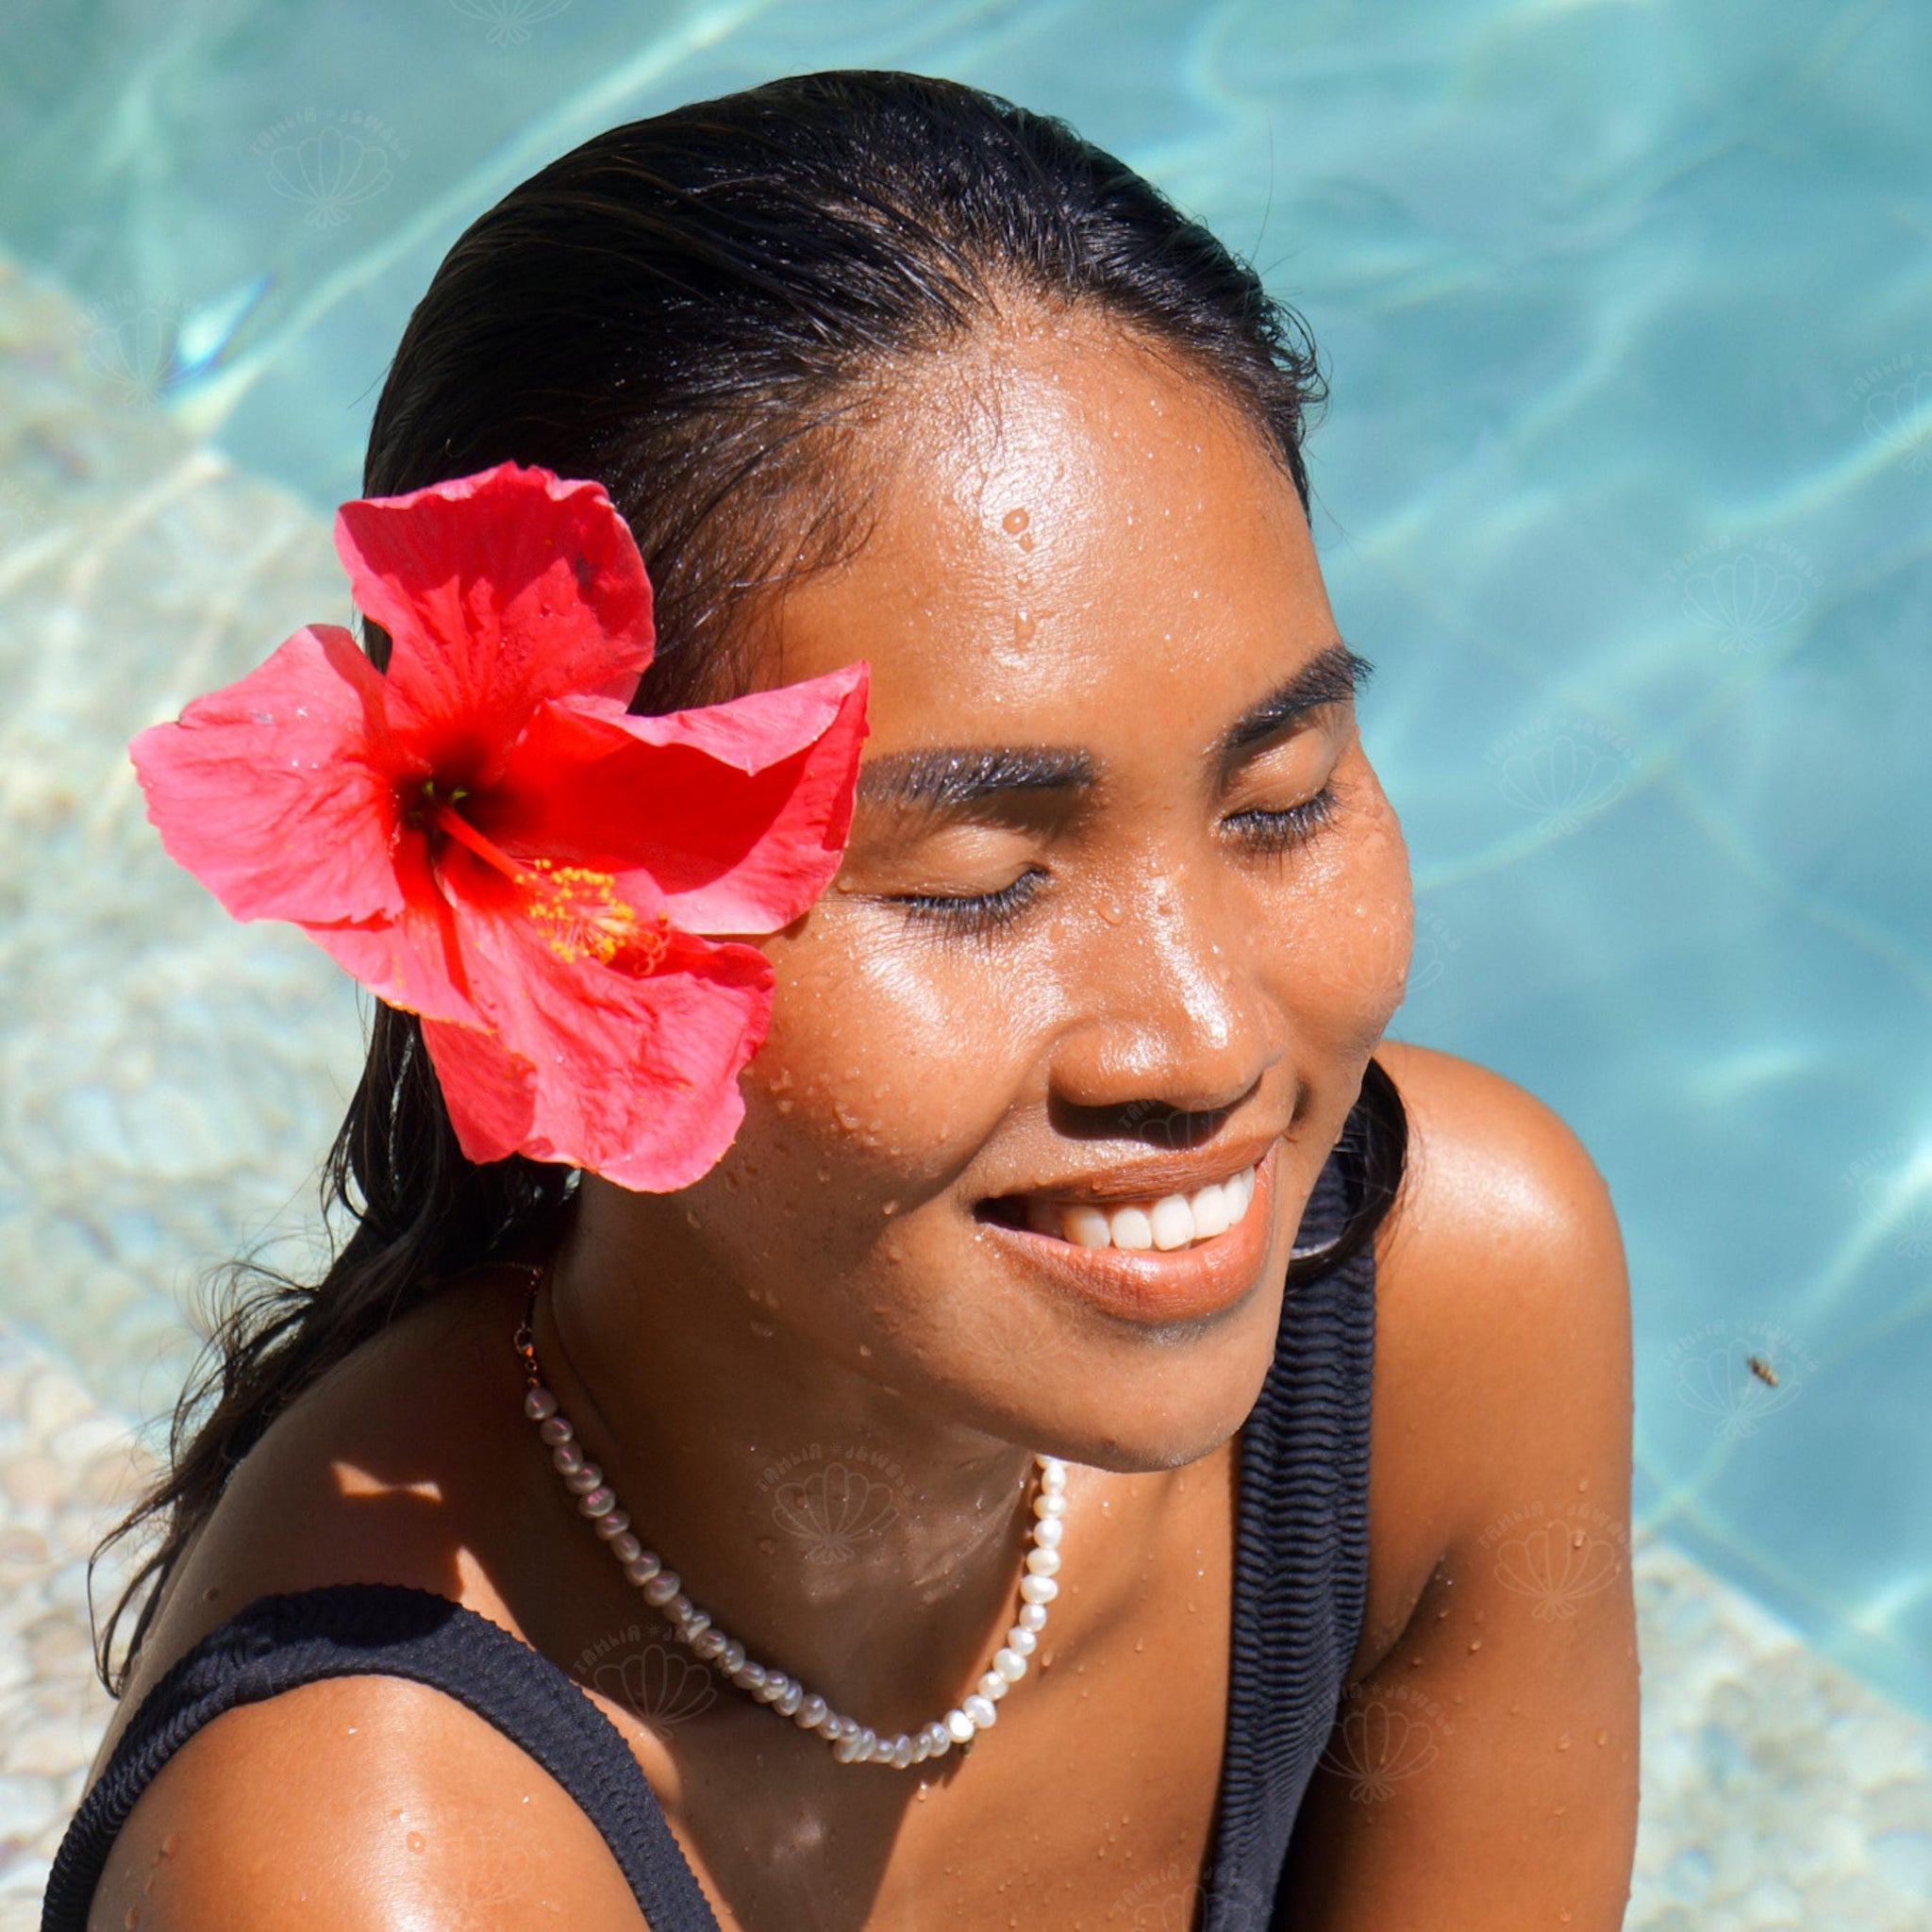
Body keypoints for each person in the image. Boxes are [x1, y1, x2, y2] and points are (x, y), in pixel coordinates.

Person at [46, 68, 1638, 1932]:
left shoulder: (1444, 1304)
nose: (1207, 1040)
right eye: (980, 884)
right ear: (576, 934)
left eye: (1274, 802)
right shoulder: (356, 1854)